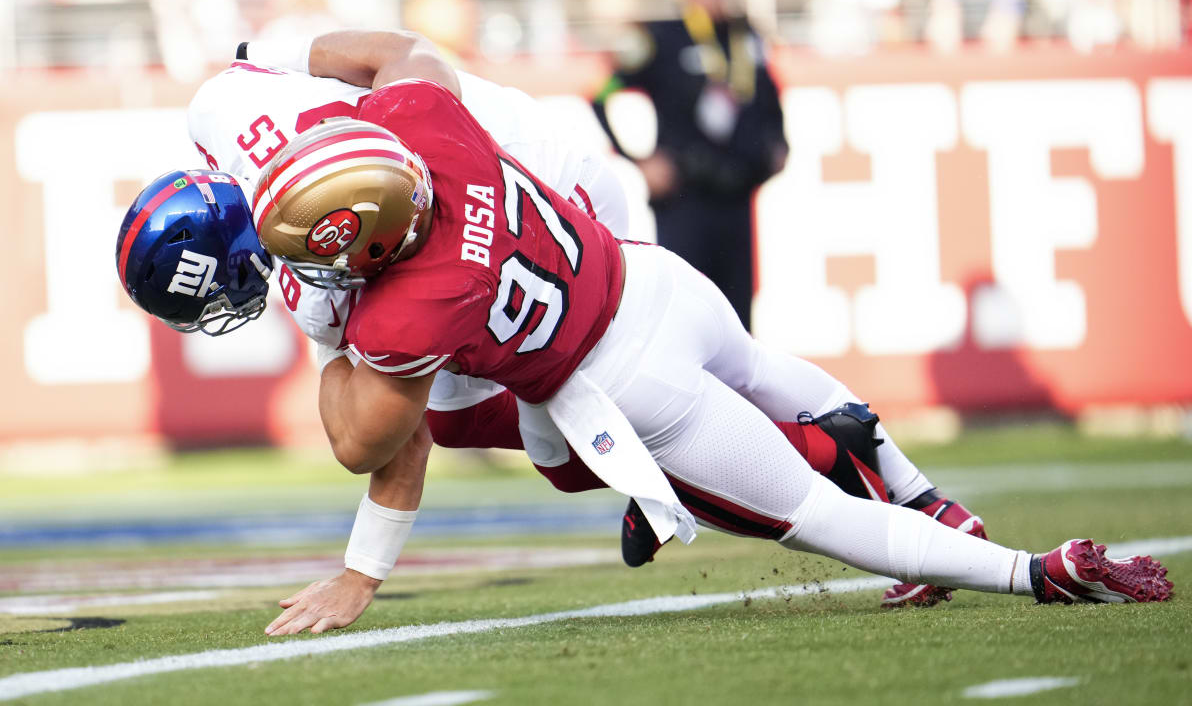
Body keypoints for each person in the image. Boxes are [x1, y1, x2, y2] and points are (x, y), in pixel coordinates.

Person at [244, 54, 1170, 635]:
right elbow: (399, 56)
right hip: (653, 282)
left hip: (620, 388)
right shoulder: (436, 131)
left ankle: (1039, 572)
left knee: (813, 513)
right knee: (765, 370)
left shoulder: (404, 313)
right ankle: (923, 487)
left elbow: (364, 444)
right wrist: (293, 58)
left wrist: (324, 326)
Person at [176, 30, 990, 608]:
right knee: (721, 361)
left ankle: (804, 451)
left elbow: (382, 441)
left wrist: (361, 570)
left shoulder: (322, 244)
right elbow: (374, 51)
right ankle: (924, 499)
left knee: (590, 423)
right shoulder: (222, 104)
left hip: (516, 188)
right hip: (513, 163)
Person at [594, 0, 787, 331]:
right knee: (687, 316)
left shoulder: (746, 34)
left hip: (738, 199)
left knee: (738, 320)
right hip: (685, 200)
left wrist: (780, 145)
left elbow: (770, 100)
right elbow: (602, 96)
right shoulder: (661, 34)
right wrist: (640, 160)